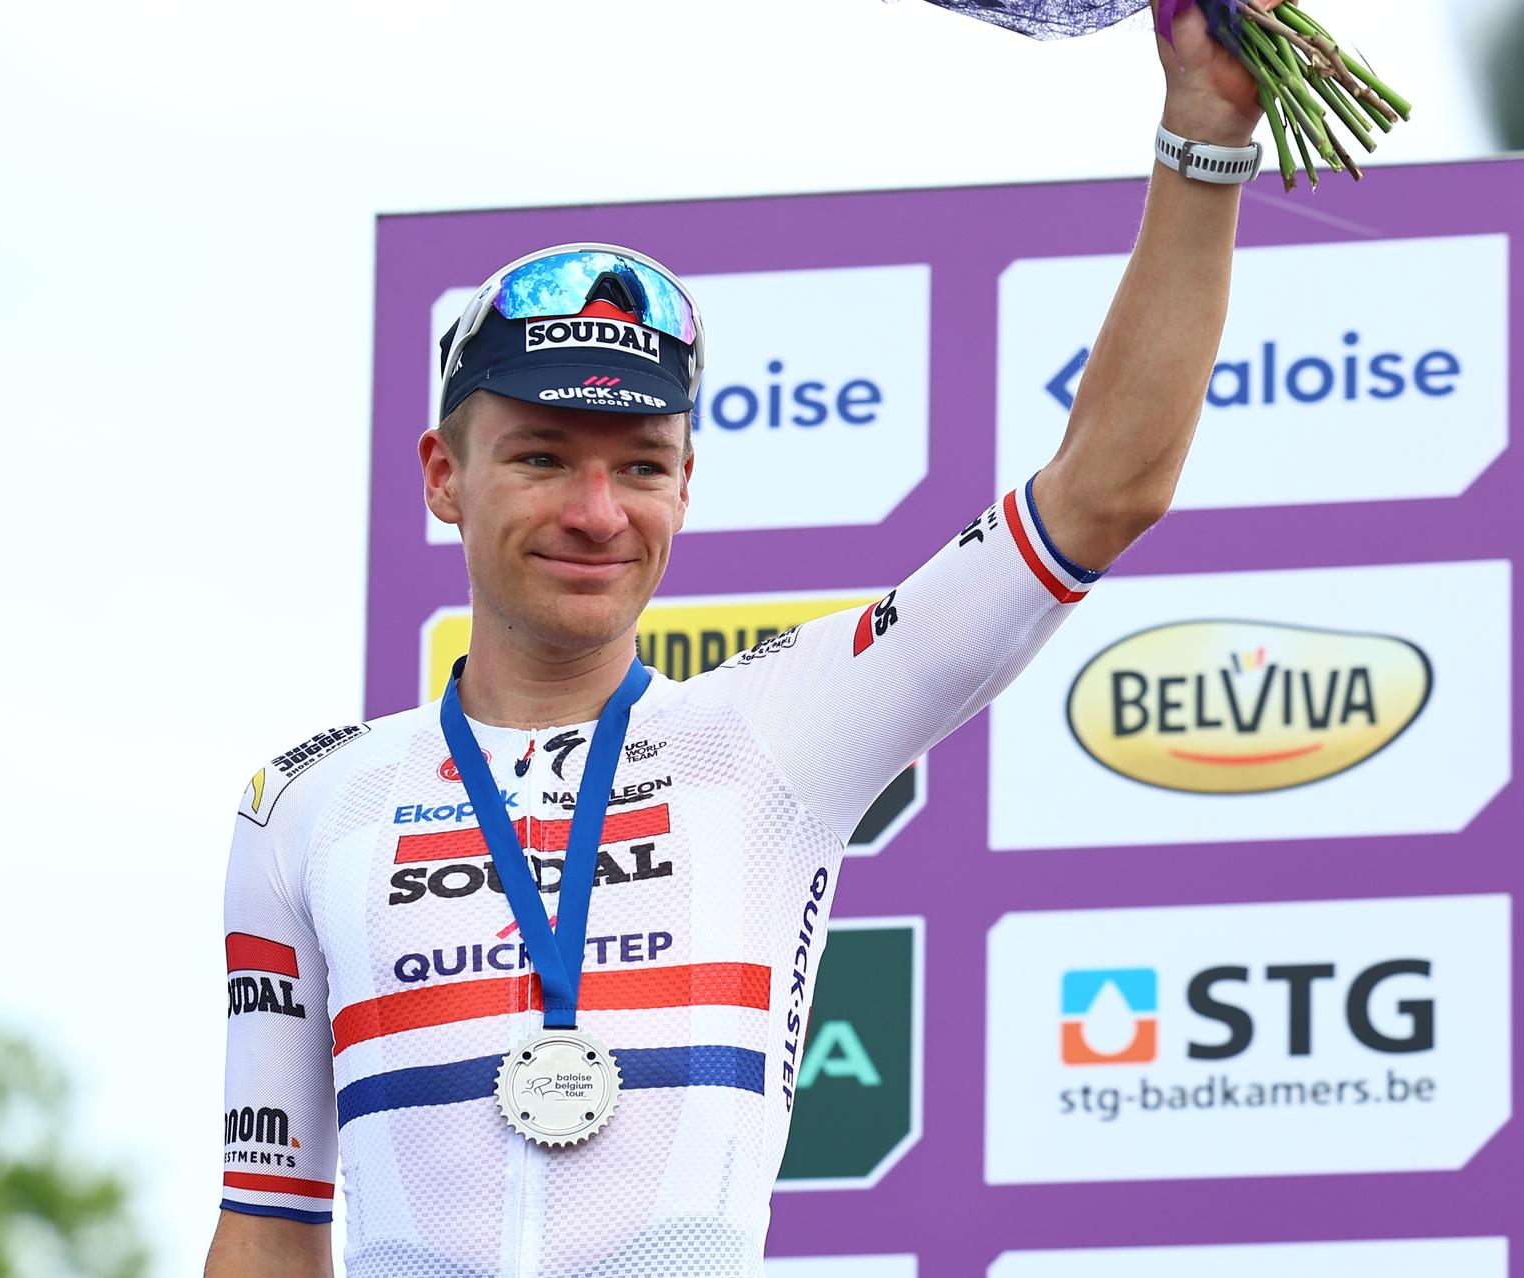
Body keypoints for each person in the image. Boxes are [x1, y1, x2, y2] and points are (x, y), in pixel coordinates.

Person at [204, 4, 1268, 1274]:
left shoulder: (776, 730)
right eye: (542, 458)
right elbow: (265, 1231)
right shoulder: (305, 806)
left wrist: (1202, 135)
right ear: (445, 475)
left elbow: (1104, 491)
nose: (596, 513)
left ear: (687, 482)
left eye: (640, 466)